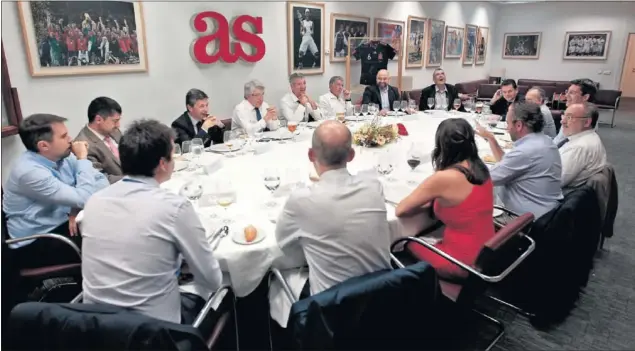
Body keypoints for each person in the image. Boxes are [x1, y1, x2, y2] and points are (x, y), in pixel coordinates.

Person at [81, 119, 223, 325]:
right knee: (220, 285)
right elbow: (212, 279)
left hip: (95, 327)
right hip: (152, 333)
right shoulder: (174, 207)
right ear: (163, 164)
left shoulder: (94, 201)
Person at [275, 120, 391, 296]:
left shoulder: (301, 200)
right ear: (352, 155)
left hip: (332, 311)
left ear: (310, 155)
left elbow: (285, 244)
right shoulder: (374, 186)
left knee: (278, 281)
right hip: (386, 298)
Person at [2, 114, 109, 268]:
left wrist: (76, 207)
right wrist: (83, 160)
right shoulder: (29, 172)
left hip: (64, 222)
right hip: (36, 241)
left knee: (112, 226)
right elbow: (85, 197)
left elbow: (101, 180)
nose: (70, 139)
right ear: (44, 145)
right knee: (106, 240)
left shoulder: (63, 156)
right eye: (64, 136)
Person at [396, 118, 495, 278]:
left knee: (402, 243)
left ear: (442, 146)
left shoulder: (445, 178)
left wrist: (426, 201)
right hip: (486, 251)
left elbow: (401, 210)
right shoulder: (480, 167)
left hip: (462, 263)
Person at [476, 102, 563, 219]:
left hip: (522, 220)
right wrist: (490, 138)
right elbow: (507, 164)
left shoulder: (525, 152)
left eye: (508, 123)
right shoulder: (544, 140)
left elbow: (484, 179)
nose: (507, 128)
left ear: (518, 125)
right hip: (545, 212)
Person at [75, 96, 124, 183]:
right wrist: (132, 180)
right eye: (115, 121)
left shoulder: (114, 131)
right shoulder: (83, 146)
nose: (118, 125)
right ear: (98, 119)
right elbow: (100, 178)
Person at [559, 102, 606, 189]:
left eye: (569, 117)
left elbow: (555, 182)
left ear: (587, 122)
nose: (562, 121)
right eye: (563, 116)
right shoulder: (591, 137)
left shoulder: (578, 147)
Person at [553, 78, 598, 145]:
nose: (566, 96)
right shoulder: (577, 114)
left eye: (572, 93)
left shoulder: (581, 120)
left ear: (585, 97)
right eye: (567, 92)